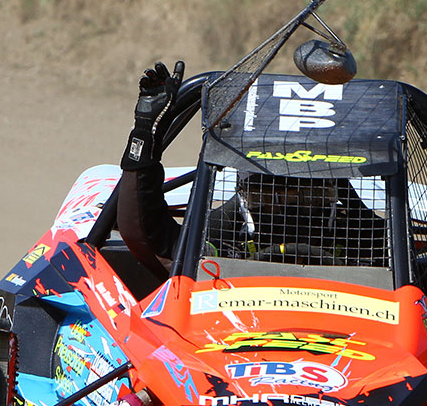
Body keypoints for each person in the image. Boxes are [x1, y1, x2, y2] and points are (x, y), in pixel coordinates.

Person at [117, 63, 388, 272]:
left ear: (331, 193)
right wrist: (145, 131)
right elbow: (146, 235)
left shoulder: (361, 236)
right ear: (245, 194)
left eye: (303, 194)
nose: (287, 208)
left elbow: (400, 255)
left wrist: (356, 209)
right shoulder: (223, 235)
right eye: (270, 195)